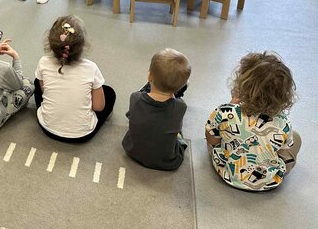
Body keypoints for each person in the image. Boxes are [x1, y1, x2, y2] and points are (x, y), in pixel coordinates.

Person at [205, 51, 301, 191]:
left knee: (216, 131)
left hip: (227, 173)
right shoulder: (284, 123)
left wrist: (231, 105)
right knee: (295, 138)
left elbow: (212, 140)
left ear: (242, 85)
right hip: (268, 182)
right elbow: (281, 151)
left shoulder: (225, 111)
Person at [34, 16, 116, 143]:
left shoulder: (43, 62)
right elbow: (99, 107)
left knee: (37, 80)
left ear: (50, 42)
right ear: (82, 46)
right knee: (109, 93)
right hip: (82, 135)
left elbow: (44, 91)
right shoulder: (91, 68)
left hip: (47, 127)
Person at [122, 49, 191, 170]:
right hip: (168, 161)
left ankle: (150, 88)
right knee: (178, 136)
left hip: (132, 150)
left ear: (149, 76)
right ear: (181, 86)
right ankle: (171, 89)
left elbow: (130, 116)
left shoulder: (135, 97)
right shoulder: (180, 106)